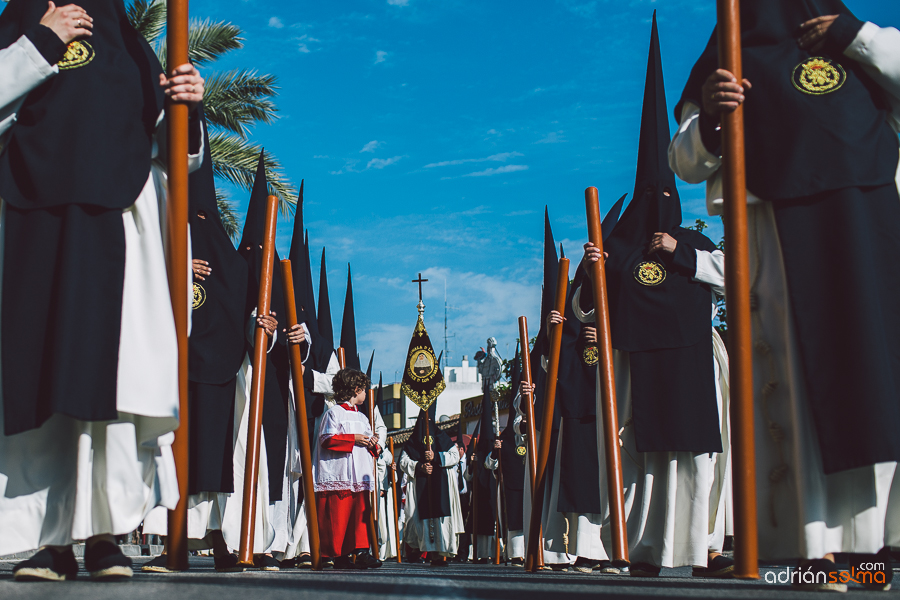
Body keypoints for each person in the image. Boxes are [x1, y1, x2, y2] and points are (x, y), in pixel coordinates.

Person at [669, 1, 900, 592]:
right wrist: (713, 121)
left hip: (871, 230)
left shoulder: (860, 43)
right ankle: (812, 559)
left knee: (873, 378)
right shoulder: (732, 49)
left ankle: (873, 558)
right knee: (803, 388)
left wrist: (854, 37)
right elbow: (683, 158)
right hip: (777, 237)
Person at [0, 0, 203, 581]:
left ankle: (106, 537)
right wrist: (39, 42)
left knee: (111, 384)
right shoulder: (21, 18)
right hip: (32, 220)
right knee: (39, 376)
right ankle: (49, 540)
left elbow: (166, 151)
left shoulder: (132, 44)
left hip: (115, 226)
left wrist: (187, 108)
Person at [573, 12, 732, 580]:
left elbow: (733, 276)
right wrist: (592, 273)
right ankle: (640, 551)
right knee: (639, 459)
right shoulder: (615, 248)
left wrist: (681, 254)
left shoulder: (692, 241)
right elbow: (583, 315)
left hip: (691, 362)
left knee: (694, 462)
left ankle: (697, 548)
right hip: (637, 368)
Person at [141, 108, 248, 573]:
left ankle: (220, 541)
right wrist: (177, 268)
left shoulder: (225, 257)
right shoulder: (163, 235)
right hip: (171, 365)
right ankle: (172, 541)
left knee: (211, 458)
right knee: (170, 451)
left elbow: (237, 301)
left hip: (212, 369)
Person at [312, 368, 380, 570]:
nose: (366, 394)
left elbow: (371, 442)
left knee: (358, 515)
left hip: (359, 473)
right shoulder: (333, 413)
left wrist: (372, 443)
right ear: (355, 389)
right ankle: (338, 555)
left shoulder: (363, 417)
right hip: (339, 472)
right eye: (364, 390)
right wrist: (354, 439)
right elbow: (327, 440)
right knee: (338, 516)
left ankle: (360, 551)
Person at [399, 410, 465, 566]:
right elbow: (403, 461)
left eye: (429, 419)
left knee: (440, 520)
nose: (426, 422)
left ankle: (437, 555)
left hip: (440, 485)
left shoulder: (441, 437)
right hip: (421, 485)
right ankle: (419, 550)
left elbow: (455, 456)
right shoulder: (413, 440)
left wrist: (436, 457)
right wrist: (420, 466)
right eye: (423, 420)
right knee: (419, 520)